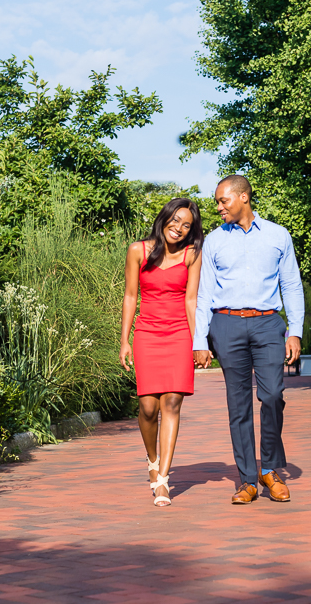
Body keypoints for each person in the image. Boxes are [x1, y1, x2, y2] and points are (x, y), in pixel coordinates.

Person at [193, 175, 304, 505]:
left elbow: (292, 286)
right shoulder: (213, 241)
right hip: (225, 324)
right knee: (237, 404)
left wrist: (294, 330)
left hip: (268, 324)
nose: (219, 207)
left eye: (223, 201)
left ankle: (269, 469)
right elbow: (203, 294)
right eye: (216, 202)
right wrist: (200, 339)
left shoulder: (277, 236)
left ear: (243, 197)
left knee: (273, 396)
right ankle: (246, 480)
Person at [120, 198, 204, 507]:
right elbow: (130, 296)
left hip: (180, 332)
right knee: (148, 408)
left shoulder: (192, 255)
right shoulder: (137, 251)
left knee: (171, 402)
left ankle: (164, 480)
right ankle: (152, 460)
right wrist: (124, 340)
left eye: (187, 225)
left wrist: (199, 342)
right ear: (164, 218)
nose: (179, 228)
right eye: (176, 220)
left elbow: (192, 300)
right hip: (147, 334)